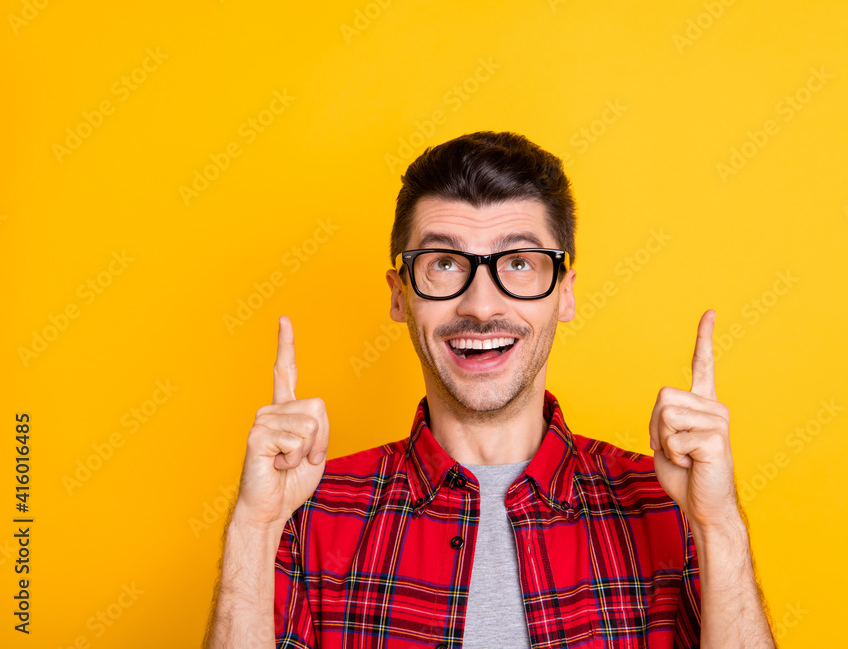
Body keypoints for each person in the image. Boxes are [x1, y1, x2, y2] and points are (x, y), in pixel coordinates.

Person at [203, 131, 776, 648]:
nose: (481, 305)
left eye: (521, 264)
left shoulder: (668, 508)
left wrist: (717, 524)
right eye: (446, 264)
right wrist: (254, 529)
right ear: (400, 293)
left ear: (566, 293)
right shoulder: (309, 514)